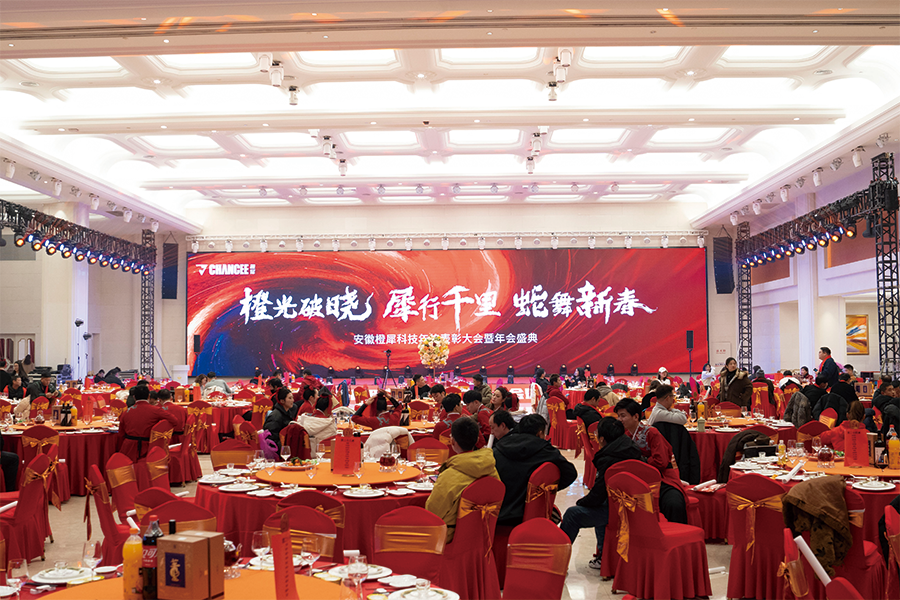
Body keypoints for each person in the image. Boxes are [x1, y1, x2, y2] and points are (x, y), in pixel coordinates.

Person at [560, 417, 643, 569]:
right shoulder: (633, 449)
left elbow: (597, 495)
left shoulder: (608, 459)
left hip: (618, 511)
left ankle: (557, 559)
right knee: (602, 504)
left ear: (602, 439)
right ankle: (604, 556)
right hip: (640, 507)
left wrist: (581, 502)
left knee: (573, 514)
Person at [493, 414, 577, 527]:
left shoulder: (498, 448)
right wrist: (544, 489)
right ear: (540, 433)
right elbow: (570, 474)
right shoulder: (546, 452)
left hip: (497, 514)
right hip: (530, 514)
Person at [425, 417, 499, 542]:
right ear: (477, 440)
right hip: (484, 531)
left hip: (452, 536)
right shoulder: (491, 469)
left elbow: (432, 513)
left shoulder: (448, 476)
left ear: (452, 441)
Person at [615, 398, 688, 524]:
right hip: (635, 479)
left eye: (623, 416)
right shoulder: (624, 435)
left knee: (674, 503)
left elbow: (661, 462)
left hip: (661, 478)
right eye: (618, 416)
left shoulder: (651, 433)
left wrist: (639, 461)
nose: (620, 419)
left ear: (636, 416)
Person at [117, 385, 178, 461]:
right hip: (149, 449)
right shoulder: (156, 410)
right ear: (149, 396)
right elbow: (174, 421)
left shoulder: (126, 412)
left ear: (134, 397)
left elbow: (121, 435)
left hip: (128, 449)